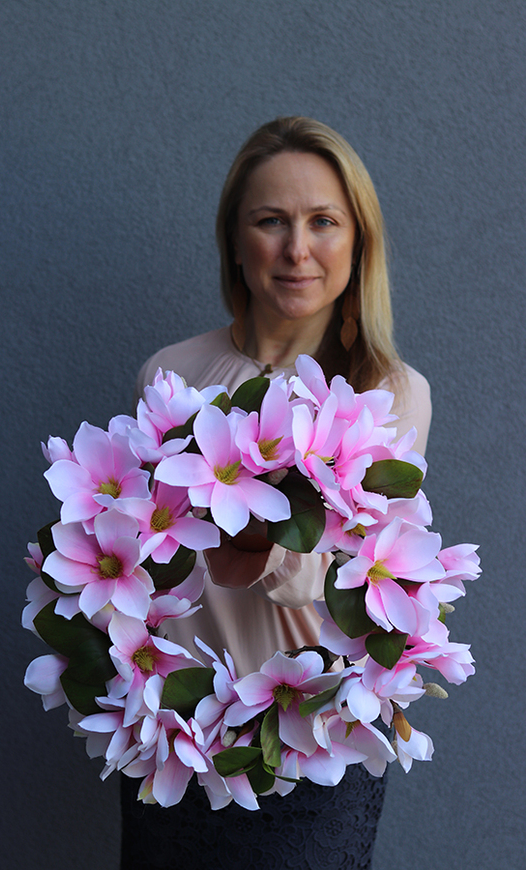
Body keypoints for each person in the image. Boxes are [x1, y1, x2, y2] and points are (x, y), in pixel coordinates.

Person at [121, 117, 432, 870]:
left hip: (314, 741)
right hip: (179, 737)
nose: (298, 249)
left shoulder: (387, 392)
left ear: (358, 244)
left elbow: (343, 576)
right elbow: (146, 563)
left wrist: (245, 539)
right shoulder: (169, 373)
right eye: (271, 221)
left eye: (324, 222)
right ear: (235, 241)